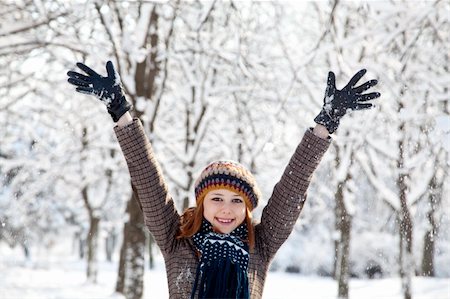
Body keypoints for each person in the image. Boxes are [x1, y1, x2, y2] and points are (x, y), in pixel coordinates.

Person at [67, 61, 380, 299]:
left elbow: (293, 184)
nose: (226, 209)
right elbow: (147, 178)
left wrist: (325, 124)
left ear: (247, 208)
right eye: (216, 198)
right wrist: (120, 111)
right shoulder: (176, 241)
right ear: (202, 203)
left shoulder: (261, 244)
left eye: (237, 201)